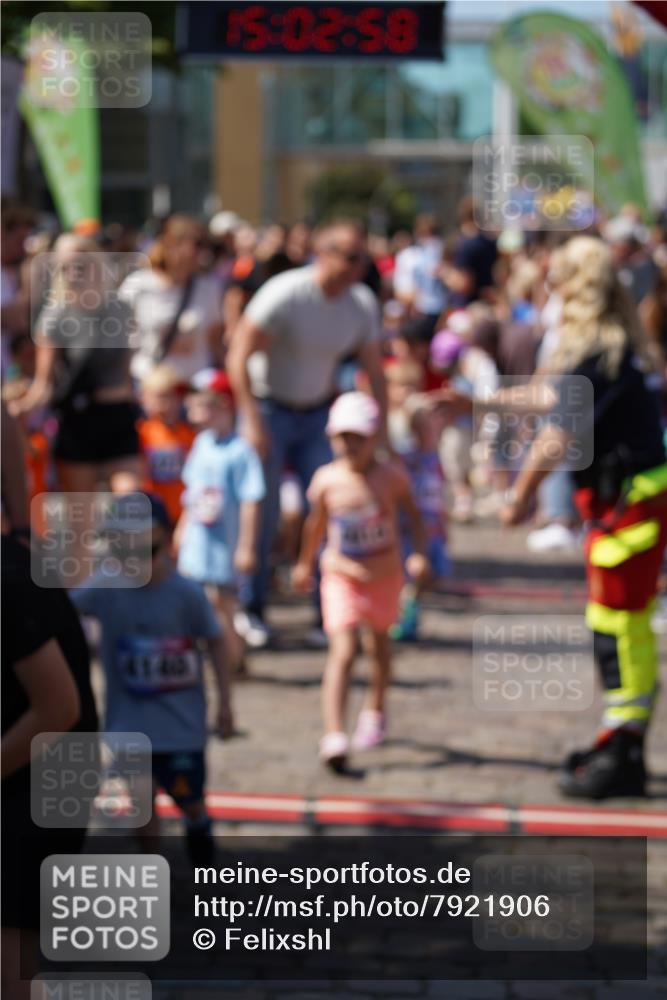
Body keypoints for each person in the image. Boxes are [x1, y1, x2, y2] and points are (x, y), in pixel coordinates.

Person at [501, 235, 667, 799]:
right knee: (622, 627)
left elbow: (558, 432)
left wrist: (521, 496)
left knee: (619, 632)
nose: (552, 290)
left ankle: (624, 748)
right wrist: (477, 400)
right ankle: (623, 741)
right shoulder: (616, 346)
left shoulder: (598, 351)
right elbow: (551, 400)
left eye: (559, 280)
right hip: (630, 505)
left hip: (628, 510)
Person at [227, 218, 386, 648]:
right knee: (263, 513)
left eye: (363, 259)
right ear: (325, 254)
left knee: (330, 511)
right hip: (270, 408)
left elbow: (375, 369)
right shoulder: (285, 294)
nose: (358, 267)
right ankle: (252, 607)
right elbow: (238, 354)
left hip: (319, 414)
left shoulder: (360, 304)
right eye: (351, 258)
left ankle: (328, 611)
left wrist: (379, 430)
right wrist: (251, 420)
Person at [71, 494, 233, 865]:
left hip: (181, 728)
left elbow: (217, 641)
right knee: (141, 806)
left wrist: (225, 702)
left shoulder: (186, 595)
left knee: (191, 802)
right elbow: (62, 609)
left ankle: (203, 856)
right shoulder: (104, 588)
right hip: (129, 726)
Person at [292, 392, 428, 771]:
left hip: (384, 576)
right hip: (340, 576)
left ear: (374, 438)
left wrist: (419, 553)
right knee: (344, 650)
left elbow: (414, 517)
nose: (350, 446)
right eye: (343, 437)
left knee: (379, 647)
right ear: (332, 438)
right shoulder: (326, 480)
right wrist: (305, 564)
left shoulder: (392, 476)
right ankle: (334, 733)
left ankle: (375, 708)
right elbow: (315, 524)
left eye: (359, 437)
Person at [12, 234, 142, 495]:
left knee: (130, 504)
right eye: (65, 267)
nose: (74, 272)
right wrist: (19, 409)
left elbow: (128, 370)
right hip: (78, 420)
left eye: (81, 264)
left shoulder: (120, 308)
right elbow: (44, 384)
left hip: (118, 418)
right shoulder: (54, 317)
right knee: (81, 524)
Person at [176, 370, 265, 675]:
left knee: (224, 606)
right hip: (198, 545)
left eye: (203, 405)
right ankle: (218, 658)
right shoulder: (201, 444)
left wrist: (246, 546)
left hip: (224, 547)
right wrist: (181, 530)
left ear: (223, 405)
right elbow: (191, 495)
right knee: (199, 603)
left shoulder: (240, 452)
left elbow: (251, 501)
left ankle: (233, 659)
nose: (194, 413)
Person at [119, 214, 224, 381]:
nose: (204, 253)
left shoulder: (209, 288)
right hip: (151, 386)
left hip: (195, 388)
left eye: (205, 245)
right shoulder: (138, 285)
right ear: (172, 245)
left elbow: (215, 341)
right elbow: (121, 340)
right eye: (197, 245)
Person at [391, 398, 451, 642]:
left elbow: (439, 496)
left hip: (433, 531)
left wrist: (445, 526)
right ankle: (402, 619)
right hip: (411, 533)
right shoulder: (407, 459)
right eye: (425, 426)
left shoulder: (436, 459)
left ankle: (409, 613)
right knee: (410, 578)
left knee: (429, 578)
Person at [138, 364, 195, 526]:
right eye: (161, 397)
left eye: (173, 396)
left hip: (184, 512)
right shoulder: (143, 433)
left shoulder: (189, 434)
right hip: (154, 515)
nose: (168, 403)